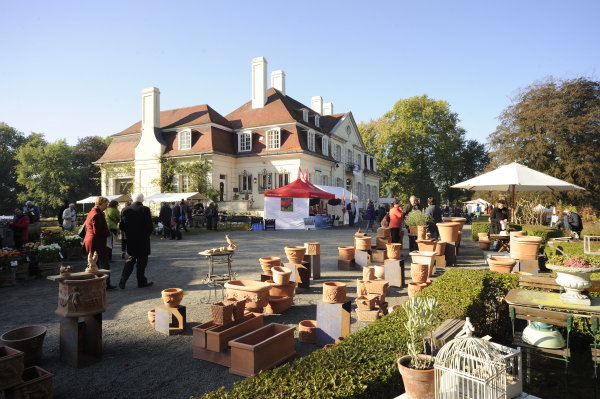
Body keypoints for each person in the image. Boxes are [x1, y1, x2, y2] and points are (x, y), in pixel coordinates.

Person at [118, 193, 154, 289]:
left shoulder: (125, 209)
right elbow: (149, 226)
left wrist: (130, 232)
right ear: (142, 200)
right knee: (142, 262)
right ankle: (141, 281)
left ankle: (123, 280)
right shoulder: (145, 209)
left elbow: (121, 226)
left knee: (130, 260)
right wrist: (146, 235)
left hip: (131, 239)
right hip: (143, 239)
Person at [83, 197, 115, 289]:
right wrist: (108, 233)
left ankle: (94, 284)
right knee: (103, 264)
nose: (107, 206)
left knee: (92, 264)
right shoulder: (97, 214)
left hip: (91, 241)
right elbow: (98, 231)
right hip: (96, 242)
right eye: (106, 204)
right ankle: (105, 284)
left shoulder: (92, 212)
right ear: (100, 203)